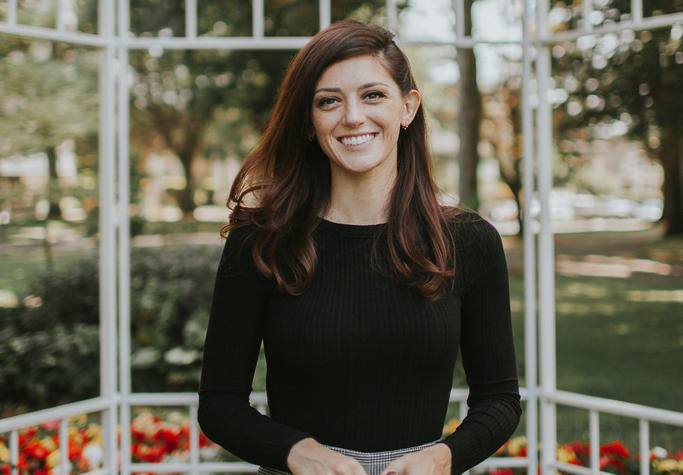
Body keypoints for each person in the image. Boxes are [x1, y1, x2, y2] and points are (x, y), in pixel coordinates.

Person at [198, 20, 521, 475]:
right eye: (329, 101)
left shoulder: (469, 241)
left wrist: (444, 457)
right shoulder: (262, 240)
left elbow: (500, 400)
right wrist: (296, 452)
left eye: (373, 95)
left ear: (408, 108)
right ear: (309, 122)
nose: (353, 117)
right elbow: (218, 403)